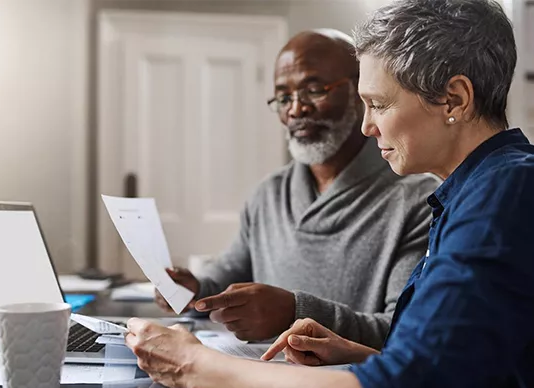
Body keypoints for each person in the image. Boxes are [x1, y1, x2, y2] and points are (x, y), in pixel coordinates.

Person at [125, 0, 534, 388]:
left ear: (454, 99)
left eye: (379, 104)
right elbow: (456, 375)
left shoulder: (503, 195)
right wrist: (358, 354)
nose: (367, 126)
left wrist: (193, 365)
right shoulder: (472, 193)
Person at [156, 29, 439, 347]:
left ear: (361, 90)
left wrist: (296, 312)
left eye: (314, 90)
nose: (295, 109)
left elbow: (405, 330)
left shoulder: (419, 200)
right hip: (260, 380)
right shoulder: (269, 195)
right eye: (283, 97)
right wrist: (195, 291)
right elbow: (227, 274)